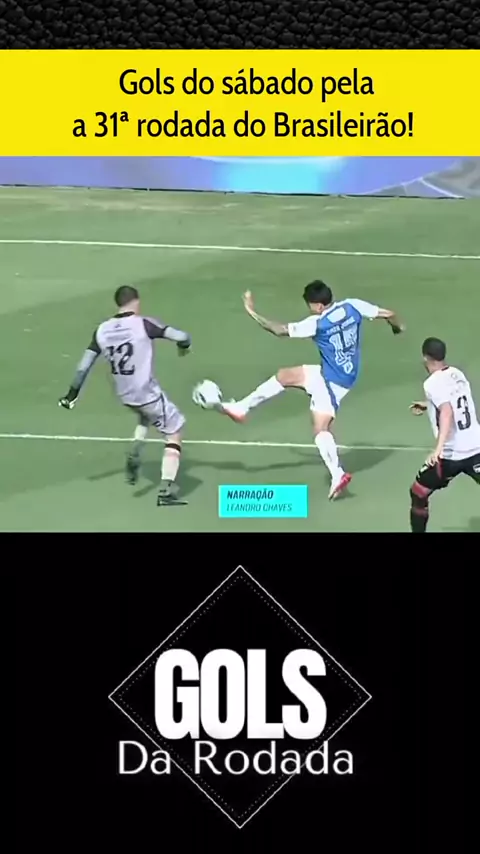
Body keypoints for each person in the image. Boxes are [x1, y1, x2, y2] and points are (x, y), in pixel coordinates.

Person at [218, 280, 404, 500]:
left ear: (318, 305)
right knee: (285, 376)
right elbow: (390, 314)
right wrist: (396, 327)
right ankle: (242, 407)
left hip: (332, 381)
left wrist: (251, 312)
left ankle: (337, 474)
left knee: (320, 428)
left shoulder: (317, 323)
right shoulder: (352, 306)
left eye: (310, 305)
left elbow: (278, 330)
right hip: (344, 371)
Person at [58, 285, 191, 506]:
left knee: (145, 414)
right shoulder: (144, 324)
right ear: (136, 301)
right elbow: (181, 336)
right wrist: (184, 346)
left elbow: (83, 366)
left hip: (124, 394)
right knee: (174, 432)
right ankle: (166, 491)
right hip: (147, 393)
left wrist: (72, 394)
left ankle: (135, 450)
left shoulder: (102, 330)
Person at [409, 337, 480, 532]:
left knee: (418, 492)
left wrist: (438, 450)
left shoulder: (431, 383)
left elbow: (447, 411)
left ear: (425, 358)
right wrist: (429, 405)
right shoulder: (457, 374)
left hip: (450, 456)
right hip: (476, 448)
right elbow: (457, 402)